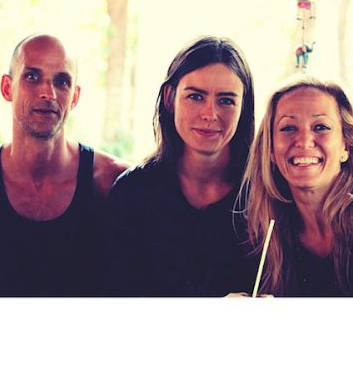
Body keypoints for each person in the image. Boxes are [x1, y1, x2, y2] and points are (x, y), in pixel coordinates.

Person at [0, 34, 129, 297]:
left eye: (62, 81)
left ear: (74, 97)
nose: (48, 93)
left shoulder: (113, 180)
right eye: (32, 76)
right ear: (7, 88)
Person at [102, 36, 259, 297]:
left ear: (244, 107)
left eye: (226, 100)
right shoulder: (132, 193)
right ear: (169, 97)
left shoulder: (263, 196)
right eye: (195, 97)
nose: (209, 114)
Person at [240, 75, 353, 297]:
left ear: (346, 146)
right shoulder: (262, 228)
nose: (304, 141)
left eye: (321, 127)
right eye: (288, 128)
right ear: (271, 151)